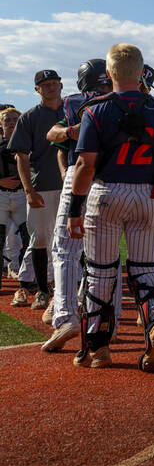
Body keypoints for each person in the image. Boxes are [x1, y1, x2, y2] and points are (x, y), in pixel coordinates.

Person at [67, 44, 154, 370]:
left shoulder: (94, 110)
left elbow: (85, 165)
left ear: (110, 73)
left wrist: (75, 210)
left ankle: (98, 350)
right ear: (140, 71)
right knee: (146, 270)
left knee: (100, 275)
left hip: (107, 192)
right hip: (149, 195)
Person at [41, 60, 113, 350]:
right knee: (107, 255)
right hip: (117, 178)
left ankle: (65, 317)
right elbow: (53, 134)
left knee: (65, 249)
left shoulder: (75, 102)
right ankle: (109, 325)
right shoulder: (127, 101)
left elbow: (53, 134)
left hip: (81, 171)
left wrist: (72, 131)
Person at [8, 69, 64, 310]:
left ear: (61, 85)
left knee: (74, 240)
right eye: (45, 84)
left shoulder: (72, 110)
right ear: (37, 90)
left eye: (55, 83)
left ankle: (71, 291)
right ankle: (42, 290)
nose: (51, 87)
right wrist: (29, 190)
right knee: (40, 238)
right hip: (42, 186)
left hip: (72, 184)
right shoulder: (29, 117)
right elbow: (21, 156)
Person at [0, 107, 29, 286]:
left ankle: (23, 271)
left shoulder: (28, 144)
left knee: (27, 236)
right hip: (1, 196)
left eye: (14, 119)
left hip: (22, 196)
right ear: (1, 124)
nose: (11, 122)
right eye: (7, 120)